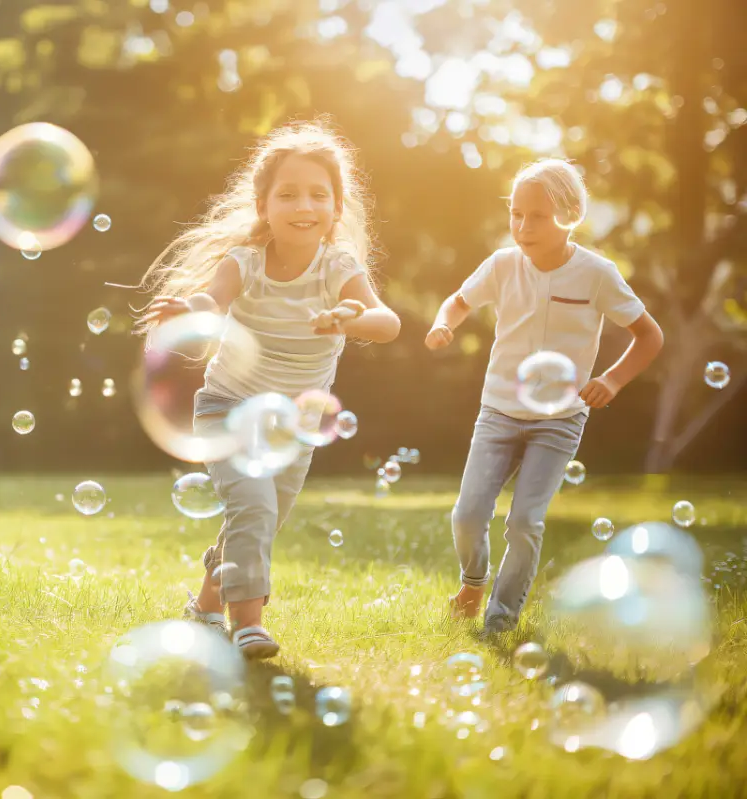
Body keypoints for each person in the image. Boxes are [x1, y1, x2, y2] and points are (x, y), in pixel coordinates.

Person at [135, 119, 401, 659]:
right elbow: (213, 299)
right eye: (288, 194)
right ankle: (248, 625)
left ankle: (205, 608)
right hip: (229, 409)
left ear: (336, 207)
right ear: (263, 207)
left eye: (318, 194)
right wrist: (191, 309)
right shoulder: (246, 262)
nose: (304, 204)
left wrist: (350, 319)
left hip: (295, 425)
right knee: (253, 511)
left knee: (257, 521)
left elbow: (387, 321)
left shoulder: (338, 266)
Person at [425, 158, 664, 635]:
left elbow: (649, 335)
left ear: (570, 213)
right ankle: (473, 582)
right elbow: (459, 300)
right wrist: (442, 323)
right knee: (468, 514)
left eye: (536, 216)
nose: (522, 226)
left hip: (559, 419)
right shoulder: (502, 265)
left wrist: (612, 380)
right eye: (516, 214)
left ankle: (501, 616)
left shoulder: (596, 273)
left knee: (524, 522)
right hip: (498, 410)